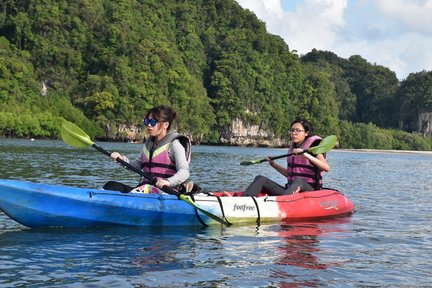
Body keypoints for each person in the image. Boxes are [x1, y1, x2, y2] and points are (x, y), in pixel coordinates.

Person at [109, 105, 191, 194]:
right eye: (147, 121)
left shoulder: (175, 145)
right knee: (111, 186)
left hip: (167, 191)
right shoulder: (149, 144)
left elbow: (184, 172)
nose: (148, 125)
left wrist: (168, 182)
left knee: (146, 188)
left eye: (153, 122)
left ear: (165, 125)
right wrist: (121, 159)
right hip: (146, 189)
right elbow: (136, 166)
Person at [242, 119, 330, 197]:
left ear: (306, 133)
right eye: (292, 130)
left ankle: (282, 202)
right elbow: (289, 174)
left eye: (298, 130)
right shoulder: (293, 148)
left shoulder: (314, 146)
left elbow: (326, 168)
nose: (294, 133)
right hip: (291, 190)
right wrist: (273, 164)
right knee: (260, 179)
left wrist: (306, 155)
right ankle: (244, 202)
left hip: (311, 190)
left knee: (299, 181)